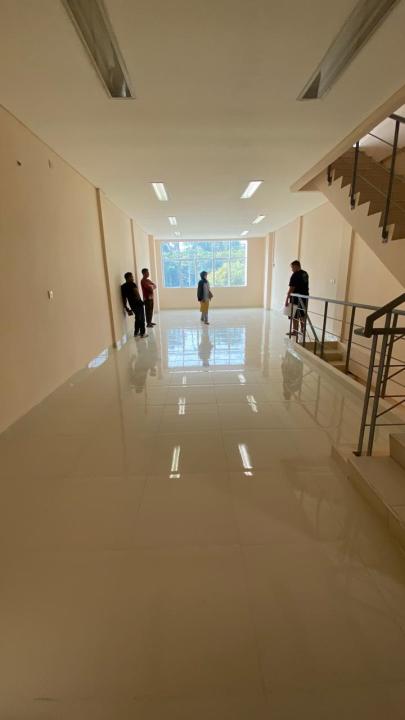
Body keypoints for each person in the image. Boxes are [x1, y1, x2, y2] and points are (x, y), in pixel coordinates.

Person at [285, 260, 309, 336]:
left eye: (292, 267)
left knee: (294, 315)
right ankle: (303, 330)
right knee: (302, 314)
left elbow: (291, 288)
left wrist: (287, 299)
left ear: (296, 266)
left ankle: (295, 331)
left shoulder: (295, 275)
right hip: (304, 297)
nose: (292, 269)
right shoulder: (305, 274)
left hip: (295, 298)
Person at [121, 271, 148, 339]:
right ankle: (142, 333)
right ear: (128, 277)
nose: (133, 278)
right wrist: (141, 302)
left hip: (132, 305)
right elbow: (137, 293)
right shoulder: (132, 284)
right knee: (141, 319)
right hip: (138, 304)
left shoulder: (123, 286)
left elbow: (124, 298)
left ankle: (136, 333)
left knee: (137, 318)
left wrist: (126, 307)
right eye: (131, 277)